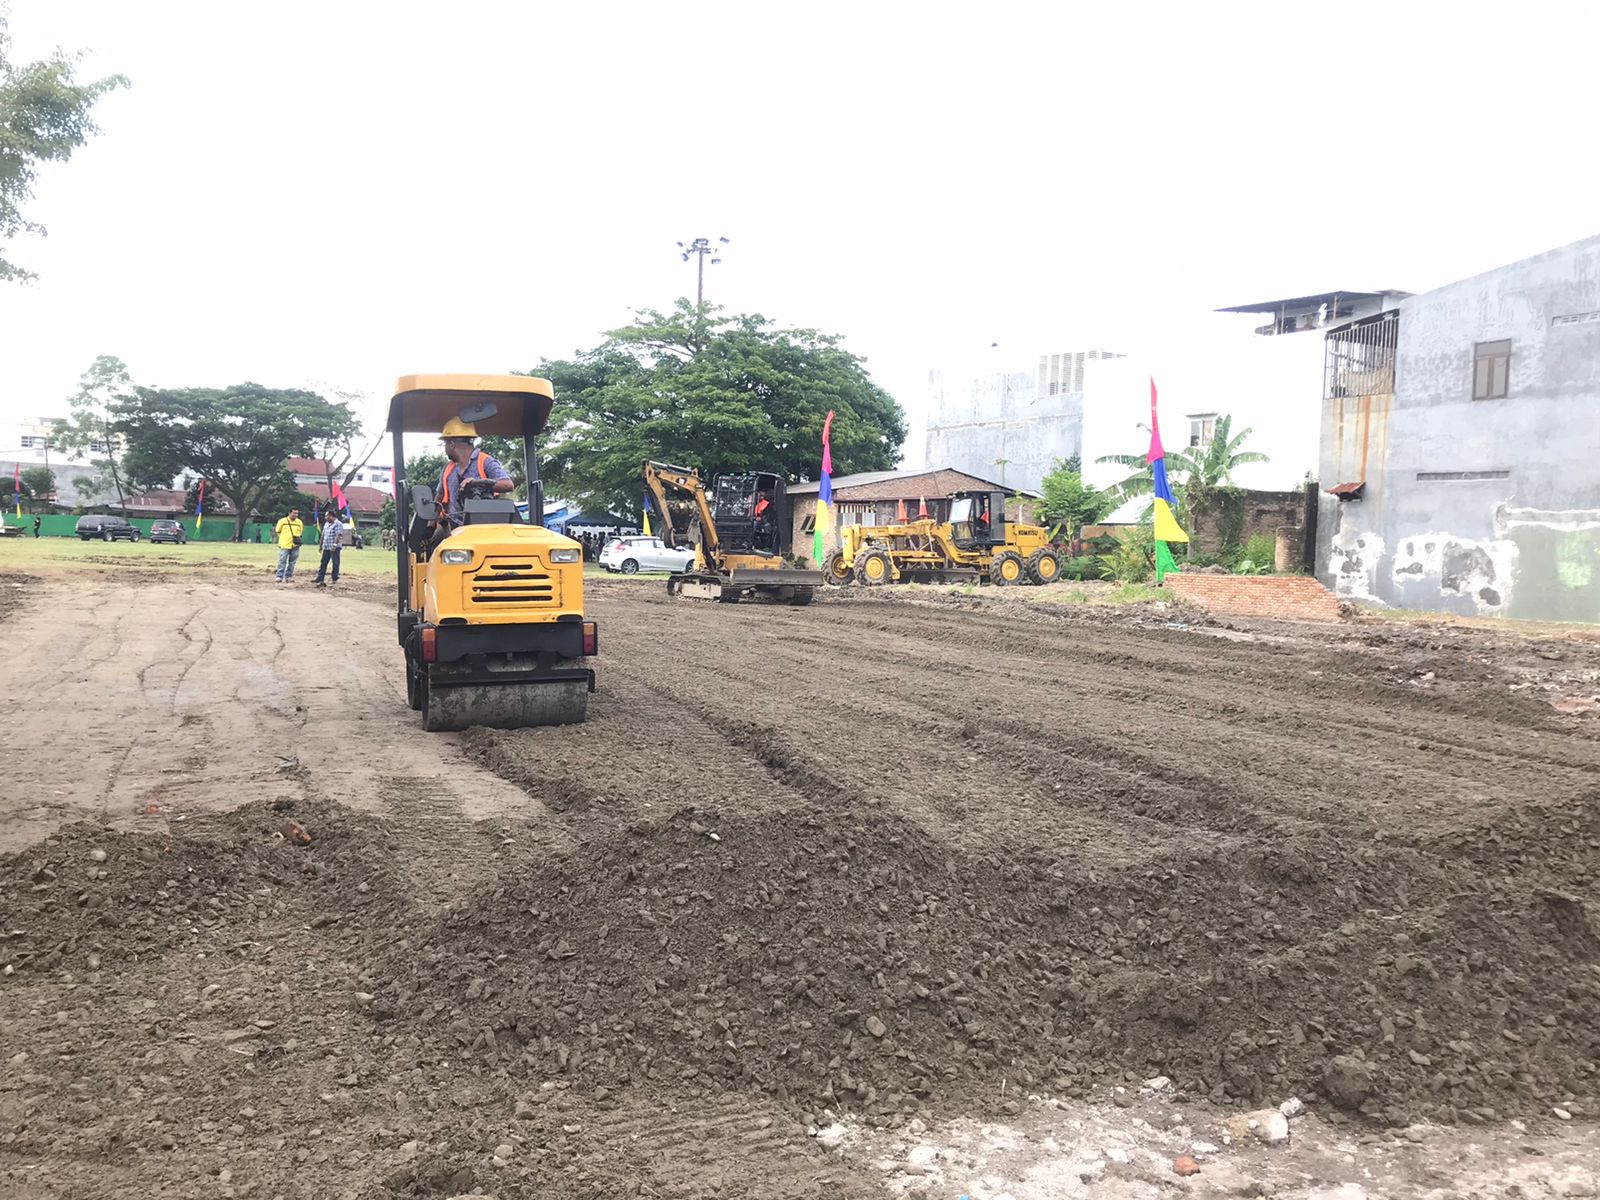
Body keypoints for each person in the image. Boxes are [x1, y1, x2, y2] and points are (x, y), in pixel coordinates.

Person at [436, 417, 513, 526]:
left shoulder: (485, 462)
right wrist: (430, 526)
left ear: (452, 444)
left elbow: (508, 485)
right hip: (452, 526)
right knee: (434, 541)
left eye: (445, 444)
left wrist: (479, 483)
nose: (445, 449)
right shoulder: (448, 469)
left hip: (482, 525)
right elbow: (439, 497)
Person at [313, 511, 344, 587]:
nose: (325, 517)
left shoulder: (338, 524)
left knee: (335, 563)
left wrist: (335, 545)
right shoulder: (326, 524)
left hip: (334, 547)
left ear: (331, 516)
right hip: (326, 546)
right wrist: (320, 545)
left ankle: (334, 578)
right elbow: (323, 535)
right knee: (323, 562)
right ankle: (320, 578)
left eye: (327, 516)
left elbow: (338, 535)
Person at [273, 508, 304, 582]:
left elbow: (300, 533)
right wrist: (283, 538)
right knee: (282, 560)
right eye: (294, 513)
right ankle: (279, 576)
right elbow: (278, 531)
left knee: (292, 562)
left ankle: (288, 576)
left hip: (295, 545)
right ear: (289, 513)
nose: (295, 515)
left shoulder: (299, 522)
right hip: (284, 544)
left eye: (297, 513)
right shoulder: (282, 521)